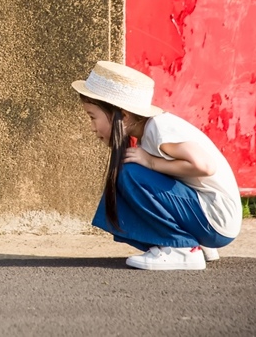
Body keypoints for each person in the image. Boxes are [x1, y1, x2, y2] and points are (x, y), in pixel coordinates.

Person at [73, 61, 242, 270]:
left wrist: (151, 162)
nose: (91, 127)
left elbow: (205, 166)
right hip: (213, 221)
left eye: (92, 117)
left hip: (216, 221)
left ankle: (182, 250)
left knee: (130, 174)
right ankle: (190, 241)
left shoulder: (160, 128)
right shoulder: (149, 134)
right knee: (130, 171)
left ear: (123, 116)